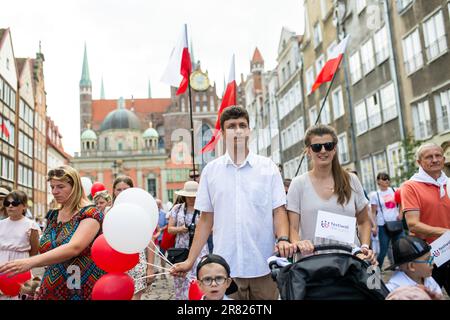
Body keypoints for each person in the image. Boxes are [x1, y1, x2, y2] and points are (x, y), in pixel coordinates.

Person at [171, 105, 293, 300]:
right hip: (225, 269)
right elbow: (205, 221)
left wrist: (284, 239)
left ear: (249, 131)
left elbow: (278, 211)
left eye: (242, 125)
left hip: (263, 264)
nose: (238, 130)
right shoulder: (211, 171)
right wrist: (189, 261)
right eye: (231, 126)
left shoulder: (268, 167)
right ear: (222, 132)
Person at [0, 165, 104, 300]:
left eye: (60, 187)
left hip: (80, 286)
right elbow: (47, 249)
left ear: (75, 187)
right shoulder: (54, 214)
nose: (54, 191)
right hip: (52, 285)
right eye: (52, 187)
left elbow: (74, 247)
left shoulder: (91, 213)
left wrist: (30, 262)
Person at [287, 124, 376, 265]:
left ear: (334, 149)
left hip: (349, 262)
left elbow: (364, 220)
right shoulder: (298, 184)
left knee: (373, 283)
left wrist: (364, 246)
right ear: (308, 151)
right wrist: (299, 243)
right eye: (317, 147)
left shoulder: (351, 180)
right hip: (312, 263)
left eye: (328, 145)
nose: (323, 150)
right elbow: (292, 227)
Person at [401, 143, 450, 293]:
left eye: (438, 156)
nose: (435, 160)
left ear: (443, 158)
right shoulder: (411, 186)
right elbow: (413, 225)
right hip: (427, 256)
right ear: (419, 162)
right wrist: (447, 232)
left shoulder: (448, 183)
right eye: (429, 157)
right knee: (428, 296)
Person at [111, 175, 152, 300]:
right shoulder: (109, 211)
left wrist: (150, 268)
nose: (122, 193)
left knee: (135, 297)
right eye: (119, 189)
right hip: (115, 262)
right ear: (113, 191)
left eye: (126, 189)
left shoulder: (140, 211)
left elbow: (150, 241)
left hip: (136, 260)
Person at [167, 181, 209, 300]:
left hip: (200, 249)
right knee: (180, 278)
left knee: (199, 276)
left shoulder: (204, 210)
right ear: (184, 196)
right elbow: (169, 229)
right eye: (189, 196)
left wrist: (199, 230)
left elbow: (211, 228)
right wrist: (181, 229)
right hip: (181, 249)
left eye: (194, 196)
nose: (191, 199)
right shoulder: (177, 209)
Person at [0, 190, 40, 300]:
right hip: (1, 265)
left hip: (20, 266)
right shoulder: (1, 224)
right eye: (7, 204)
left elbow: (34, 251)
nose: (10, 206)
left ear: (24, 206)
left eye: (15, 203)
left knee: (19, 295)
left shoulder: (31, 226)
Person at [370, 172, 404, 268]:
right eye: (384, 179)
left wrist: (401, 214)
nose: (387, 181)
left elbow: (402, 203)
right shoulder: (375, 195)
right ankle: (376, 269)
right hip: (383, 225)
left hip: (396, 223)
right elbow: (373, 212)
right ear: (378, 181)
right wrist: (374, 226)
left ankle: (401, 268)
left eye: (387, 178)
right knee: (383, 251)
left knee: (400, 248)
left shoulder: (395, 190)